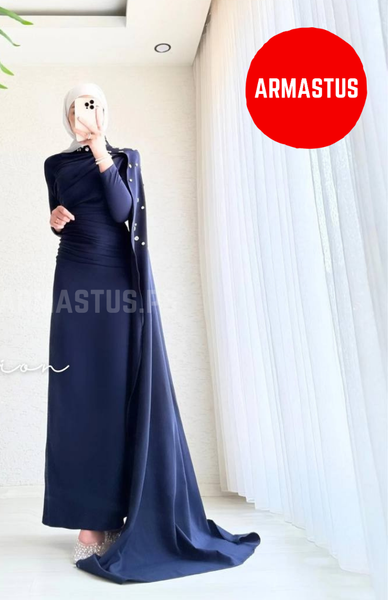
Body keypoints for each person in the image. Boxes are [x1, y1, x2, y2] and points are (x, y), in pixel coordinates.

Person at [42, 82, 261, 584]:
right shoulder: (55, 164)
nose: (84, 113)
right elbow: (59, 214)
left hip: (116, 280)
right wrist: (53, 220)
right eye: (76, 108)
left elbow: (123, 211)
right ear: (66, 116)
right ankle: (90, 520)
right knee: (77, 390)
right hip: (73, 275)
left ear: (105, 111)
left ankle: (125, 510)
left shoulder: (126, 158)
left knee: (116, 388)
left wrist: (101, 149)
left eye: (93, 105)